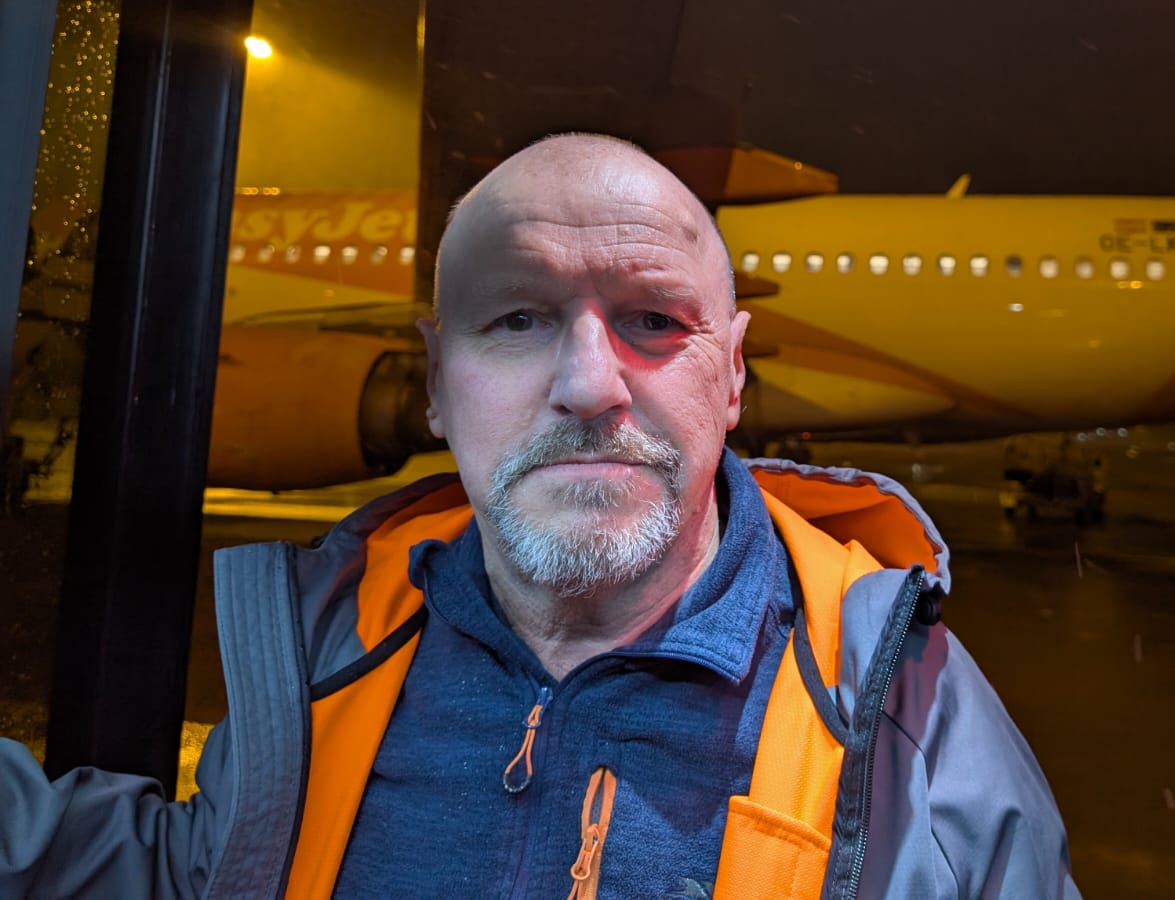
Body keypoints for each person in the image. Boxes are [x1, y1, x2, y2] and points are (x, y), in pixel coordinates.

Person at [0, 134, 1079, 898]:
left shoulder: (902, 708)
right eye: (517, 319)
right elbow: (201, 874)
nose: (590, 385)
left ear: (733, 374)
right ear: (433, 382)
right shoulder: (334, 648)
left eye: (654, 319)